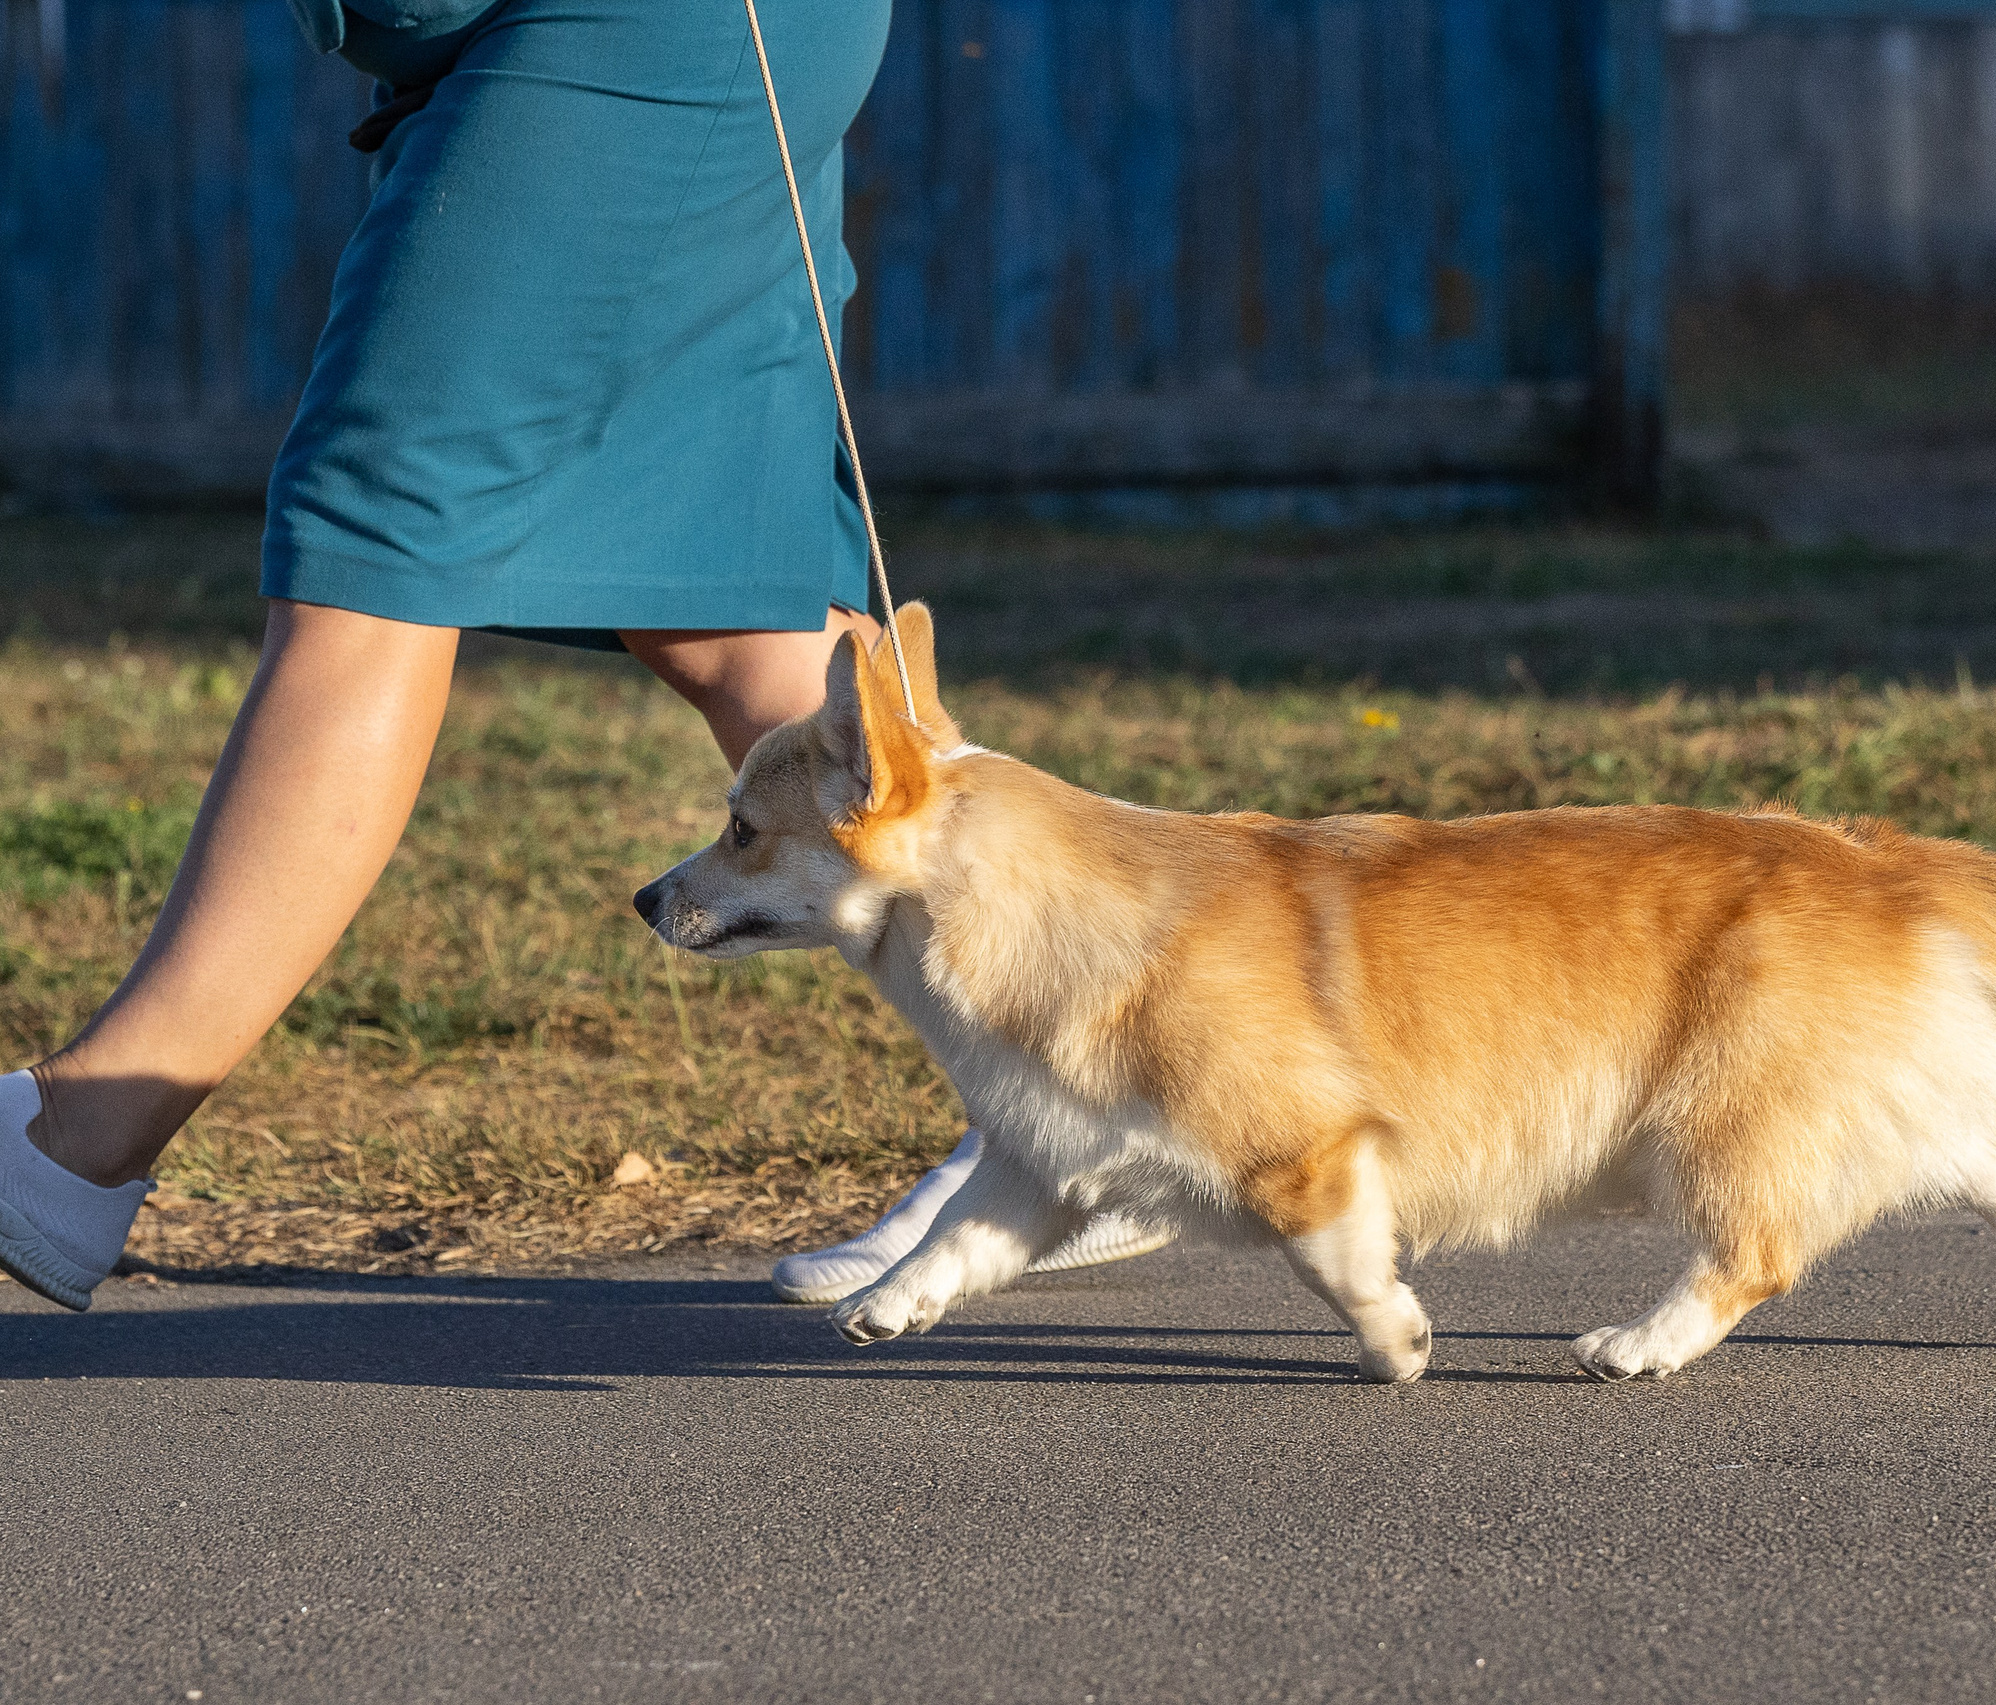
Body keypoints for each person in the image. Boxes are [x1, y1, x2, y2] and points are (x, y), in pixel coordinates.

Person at [0, 0, 1164, 1312]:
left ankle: (73, 1143)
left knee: (380, 536)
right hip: (663, 30)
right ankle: (1090, 1093)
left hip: (638, 24)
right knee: (732, 610)